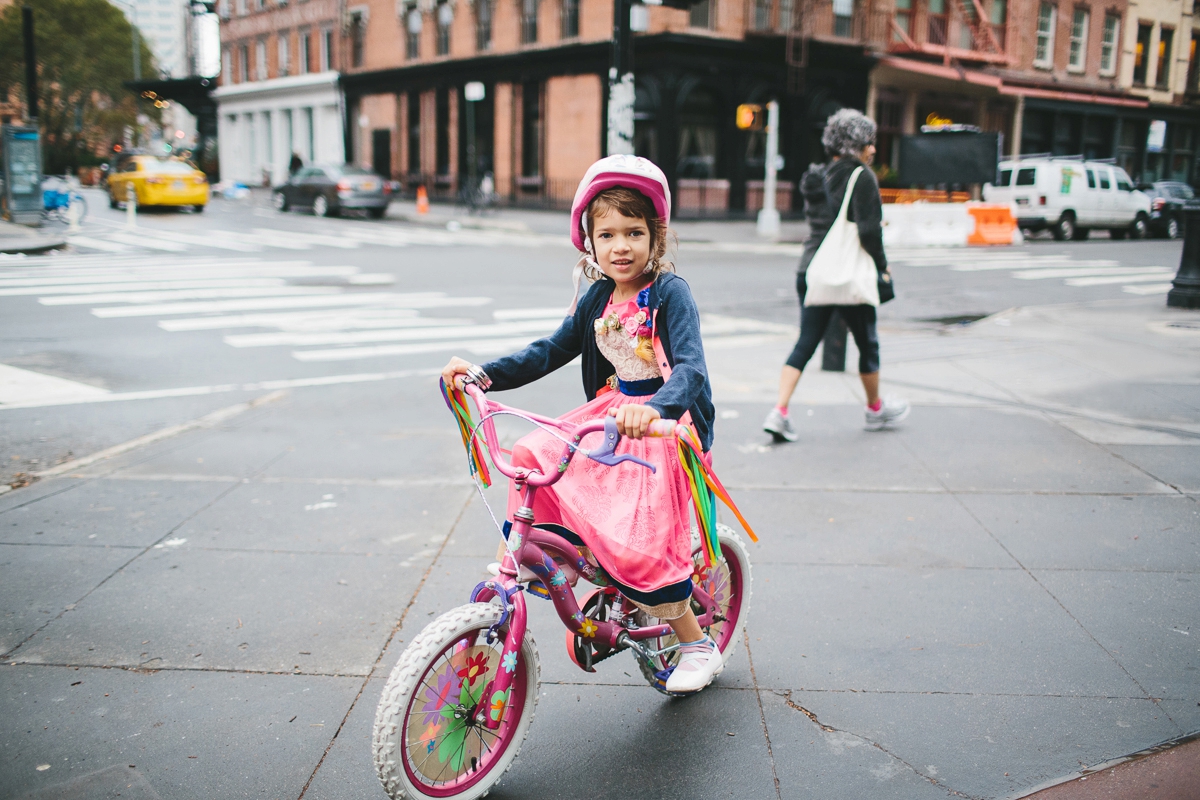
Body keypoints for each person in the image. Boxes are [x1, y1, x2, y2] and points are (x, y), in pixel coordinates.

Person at [441, 155, 722, 693]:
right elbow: (551, 350)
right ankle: (547, 556)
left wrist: (657, 408)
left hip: (660, 425)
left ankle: (696, 642)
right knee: (531, 455)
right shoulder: (597, 296)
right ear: (589, 242)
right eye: (608, 233)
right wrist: (482, 375)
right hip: (611, 414)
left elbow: (690, 369)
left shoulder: (669, 293)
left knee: (641, 542)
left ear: (655, 238)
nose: (621, 246)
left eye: (634, 232)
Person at [762, 108, 908, 442]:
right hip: (847, 276)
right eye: (869, 143)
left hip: (812, 271)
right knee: (867, 341)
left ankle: (779, 411)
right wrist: (883, 265)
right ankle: (874, 410)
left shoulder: (816, 176)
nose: (873, 149)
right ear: (855, 145)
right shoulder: (862, 177)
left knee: (806, 341)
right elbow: (869, 232)